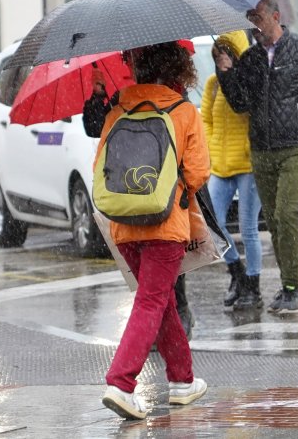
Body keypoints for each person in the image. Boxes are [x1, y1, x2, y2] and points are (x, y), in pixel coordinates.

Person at [97, 42, 211, 420]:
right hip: (165, 223)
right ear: (179, 72)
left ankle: (182, 380)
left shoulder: (118, 110)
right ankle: (121, 382)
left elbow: (102, 165)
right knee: (152, 301)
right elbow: (197, 174)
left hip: (125, 225)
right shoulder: (183, 111)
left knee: (159, 303)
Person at [214, 0, 298, 314]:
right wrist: (226, 73)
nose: (254, 25)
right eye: (249, 19)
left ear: (275, 16)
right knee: (272, 219)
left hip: (296, 146)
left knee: (286, 213)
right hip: (262, 149)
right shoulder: (251, 58)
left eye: (258, 17)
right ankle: (287, 285)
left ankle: (292, 288)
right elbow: (240, 103)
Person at [85, 52, 195, 340]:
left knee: (161, 277)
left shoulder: (173, 99)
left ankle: (172, 321)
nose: (128, 64)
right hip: (145, 194)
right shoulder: (125, 99)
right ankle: (170, 335)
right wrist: (98, 97)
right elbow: (94, 127)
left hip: (156, 193)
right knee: (157, 281)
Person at [201, 31, 263, 310]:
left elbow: (245, 110)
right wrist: (212, 151)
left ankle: (253, 286)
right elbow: (206, 121)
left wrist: (230, 75)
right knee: (213, 225)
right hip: (221, 166)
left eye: (226, 54)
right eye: (216, 55)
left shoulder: (246, 81)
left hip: (247, 165)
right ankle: (236, 273)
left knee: (249, 229)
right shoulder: (213, 84)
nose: (221, 59)